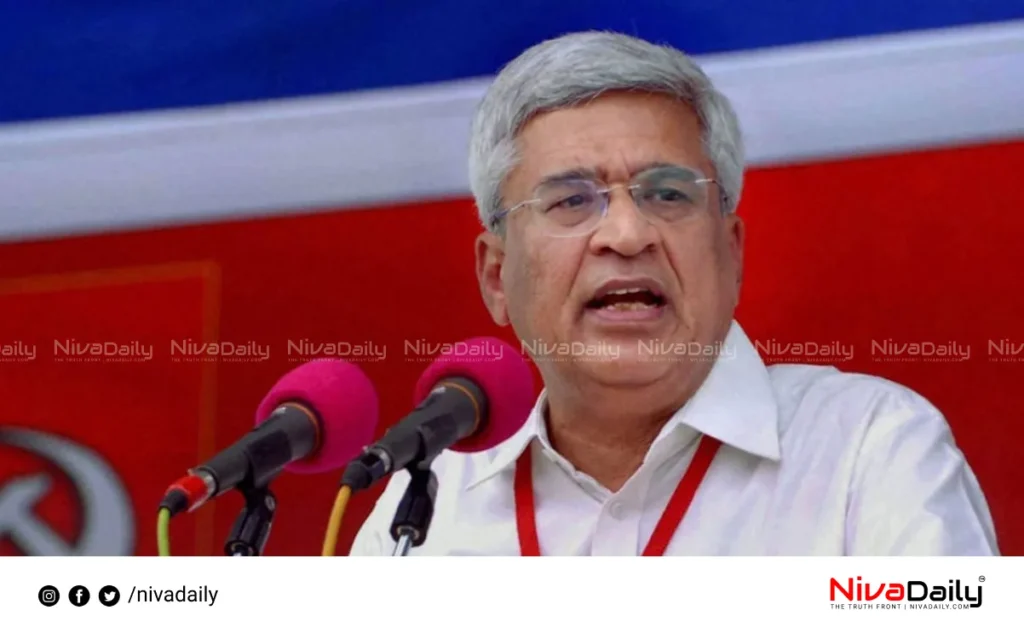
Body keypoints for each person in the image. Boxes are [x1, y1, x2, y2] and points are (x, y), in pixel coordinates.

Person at [351, 31, 998, 555]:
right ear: (497, 277)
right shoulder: (423, 510)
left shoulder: (872, 453)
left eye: (668, 193)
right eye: (572, 199)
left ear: (732, 251)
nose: (628, 234)